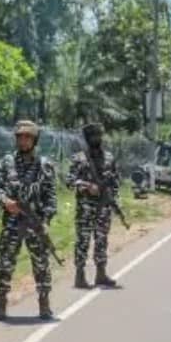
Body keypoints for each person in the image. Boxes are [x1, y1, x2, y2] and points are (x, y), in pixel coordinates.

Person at [0, 120, 58, 321]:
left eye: (27, 137)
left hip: (35, 222)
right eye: (20, 137)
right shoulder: (6, 162)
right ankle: (0, 303)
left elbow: (50, 196)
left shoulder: (44, 165)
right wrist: (5, 201)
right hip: (12, 222)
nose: (23, 140)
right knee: (5, 263)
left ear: (34, 140)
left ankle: (44, 303)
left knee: (41, 264)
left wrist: (46, 220)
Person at [65, 123, 121, 289]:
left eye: (99, 135)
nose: (97, 139)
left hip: (103, 208)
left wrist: (113, 198)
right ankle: (80, 275)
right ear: (87, 138)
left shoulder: (109, 158)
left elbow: (116, 181)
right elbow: (69, 181)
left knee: (101, 240)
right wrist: (87, 186)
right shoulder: (79, 159)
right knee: (83, 241)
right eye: (93, 136)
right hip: (85, 209)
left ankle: (101, 274)